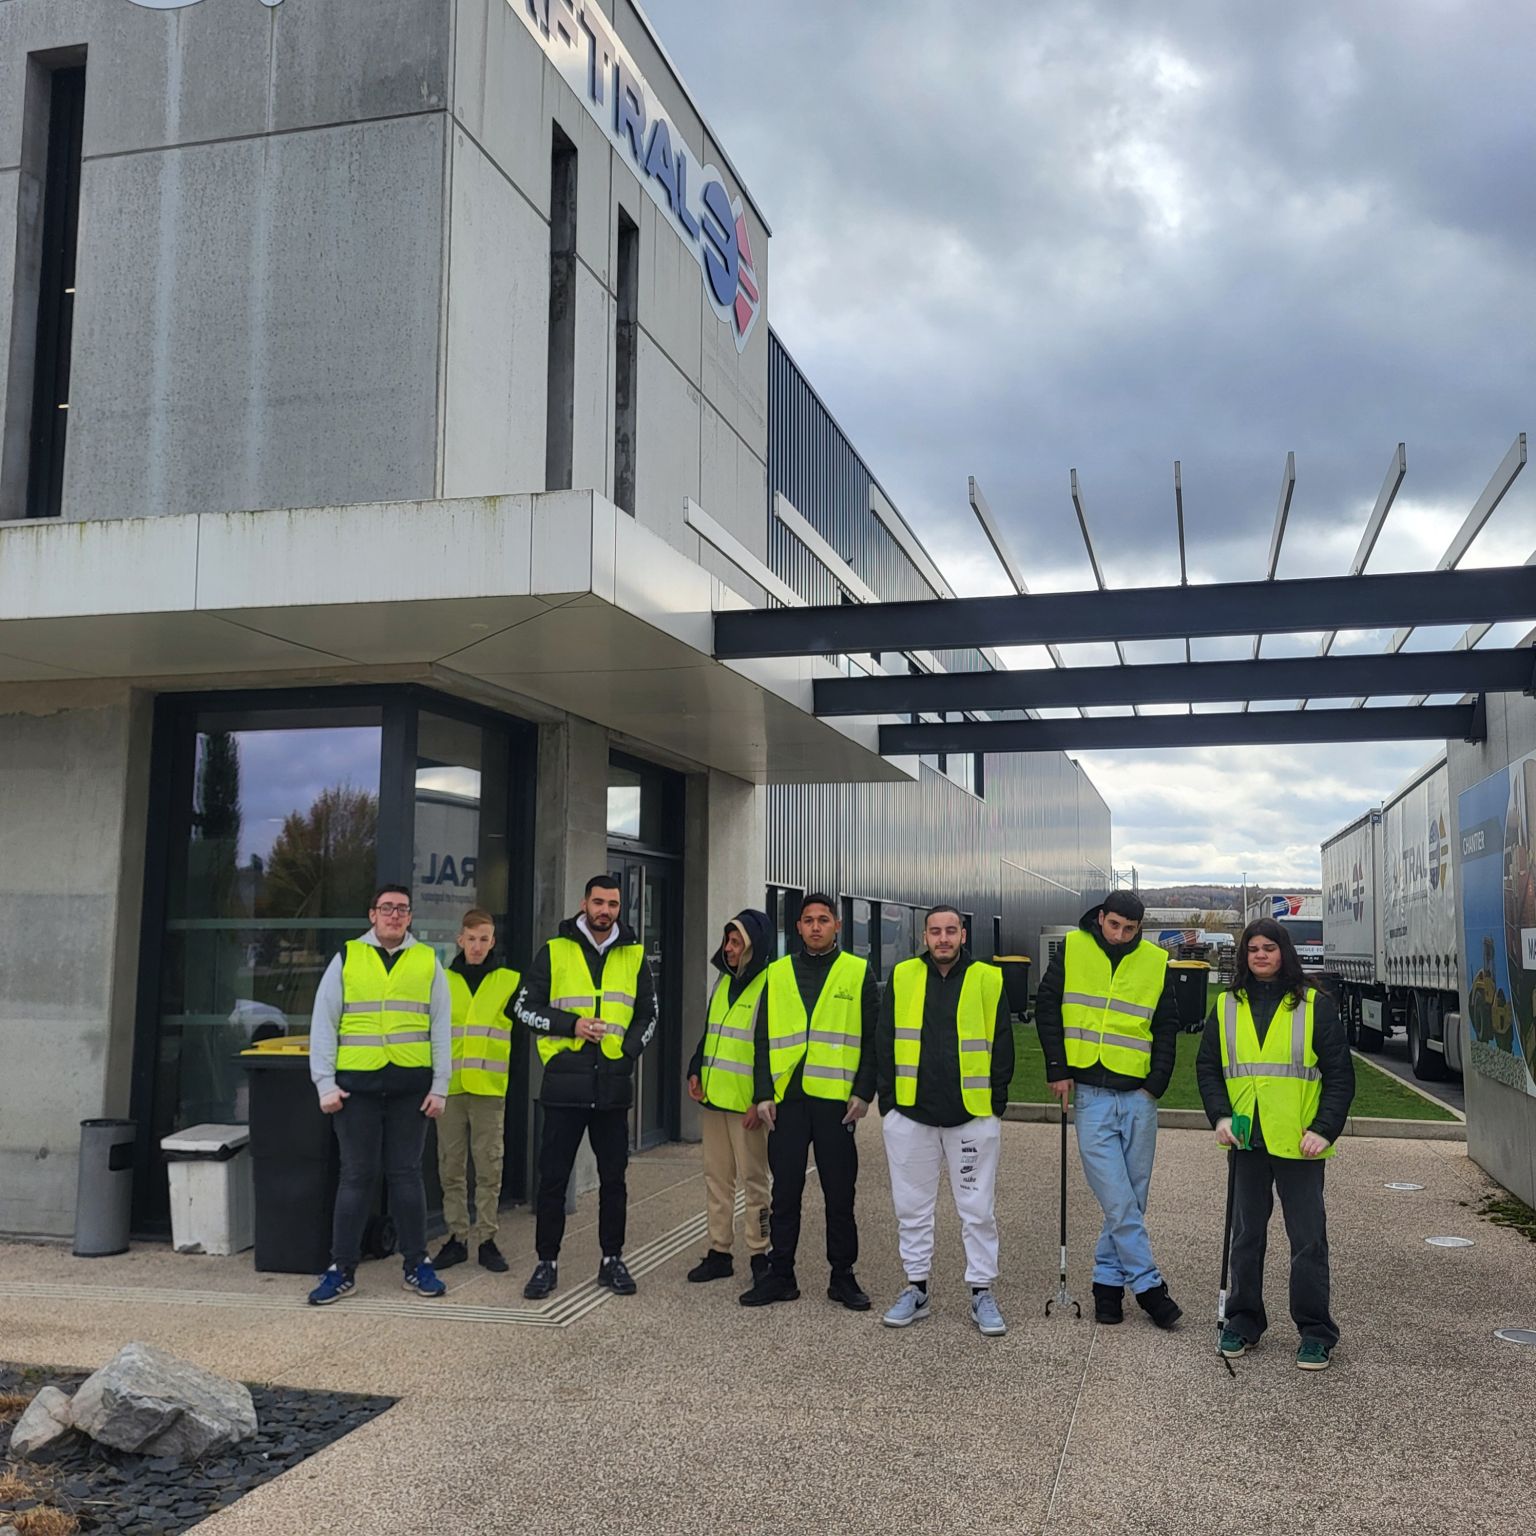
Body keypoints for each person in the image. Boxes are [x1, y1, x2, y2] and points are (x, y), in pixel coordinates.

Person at [1197, 918, 1354, 1371]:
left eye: (1269, 947)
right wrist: (1220, 1116)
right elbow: (1208, 1067)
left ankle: (1315, 1331)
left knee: (1307, 1241)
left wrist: (1324, 1128)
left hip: (1300, 1142)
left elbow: (1340, 1076)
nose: (1261, 955)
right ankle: (1243, 1320)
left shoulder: (1313, 1006)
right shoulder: (1226, 1005)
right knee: (1246, 1235)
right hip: (1247, 1140)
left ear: (1284, 951)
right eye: (1252, 949)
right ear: (1244, 956)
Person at [1034, 891, 1183, 1328]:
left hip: (1138, 1095)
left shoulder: (1156, 962)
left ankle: (1106, 1287)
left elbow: (1166, 1025)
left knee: (1133, 1198)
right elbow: (1047, 1007)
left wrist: (1156, 1084)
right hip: (1090, 1093)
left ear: (1140, 929)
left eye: (1129, 929)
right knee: (1118, 1199)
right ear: (1101, 917)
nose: (1119, 935)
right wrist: (1058, 1068)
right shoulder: (1073, 947)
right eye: (1113, 924)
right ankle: (1149, 1285)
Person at [513, 874, 657, 1300]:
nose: (605, 911)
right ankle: (546, 1262)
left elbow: (648, 1014)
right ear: (583, 903)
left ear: (619, 908)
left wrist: (626, 1054)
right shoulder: (555, 951)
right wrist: (571, 1026)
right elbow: (522, 1008)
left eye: (612, 904)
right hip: (563, 1085)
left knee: (615, 1180)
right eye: (598, 902)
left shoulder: (634, 956)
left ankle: (612, 1259)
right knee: (552, 1180)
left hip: (612, 1089)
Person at [307, 884, 452, 1305]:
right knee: (356, 1178)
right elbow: (324, 1022)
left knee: (407, 1177)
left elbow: (441, 1027)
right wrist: (324, 1083)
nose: (394, 915)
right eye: (386, 908)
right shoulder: (348, 957)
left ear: (410, 918)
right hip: (356, 1091)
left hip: (411, 1089)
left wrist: (440, 1086)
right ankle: (342, 1269)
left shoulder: (427, 961)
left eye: (402, 910)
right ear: (372, 914)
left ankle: (416, 1264)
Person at [876, 907, 1014, 1336]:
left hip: (971, 1114)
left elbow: (1003, 1043)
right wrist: (890, 1104)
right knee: (911, 1209)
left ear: (963, 934)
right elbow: (883, 1038)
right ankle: (915, 1289)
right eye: (935, 931)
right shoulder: (902, 976)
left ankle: (981, 1292)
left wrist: (994, 1103)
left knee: (977, 1210)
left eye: (950, 931)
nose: (942, 938)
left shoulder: (988, 979)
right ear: (924, 935)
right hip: (911, 1113)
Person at [739, 893, 877, 1311]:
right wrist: (762, 1093)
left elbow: (873, 1039)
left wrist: (863, 1093)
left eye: (823, 920)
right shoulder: (777, 973)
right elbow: (761, 1039)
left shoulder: (857, 972)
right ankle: (781, 1274)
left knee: (840, 1195)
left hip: (837, 1103)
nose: (815, 927)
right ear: (797, 928)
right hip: (788, 1102)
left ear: (837, 926)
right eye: (808, 920)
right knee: (786, 1194)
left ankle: (843, 1276)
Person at [685, 909, 773, 1285]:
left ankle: (760, 1253)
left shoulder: (770, 984)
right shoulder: (723, 982)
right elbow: (711, 1033)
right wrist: (694, 1068)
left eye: (738, 942)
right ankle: (719, 1251)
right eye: (728, 941)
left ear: (755, 946)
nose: (730, 948)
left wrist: (761, 1099)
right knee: (717, 1180)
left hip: (746, 1106)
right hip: (714, 1098)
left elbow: (769, 1046)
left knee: (755, 1183)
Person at [432, 908, 521, 1275]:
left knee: (488, 1167)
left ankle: (486, 1239)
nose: (478, 946)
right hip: (450, 1089)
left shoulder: (509, 981)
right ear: (460, 939)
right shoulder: (441, 981)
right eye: (472, 939)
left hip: (488, 1089)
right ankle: (457, 1238)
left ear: (493, 941)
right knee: (451, 1167)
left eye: (485, 939)